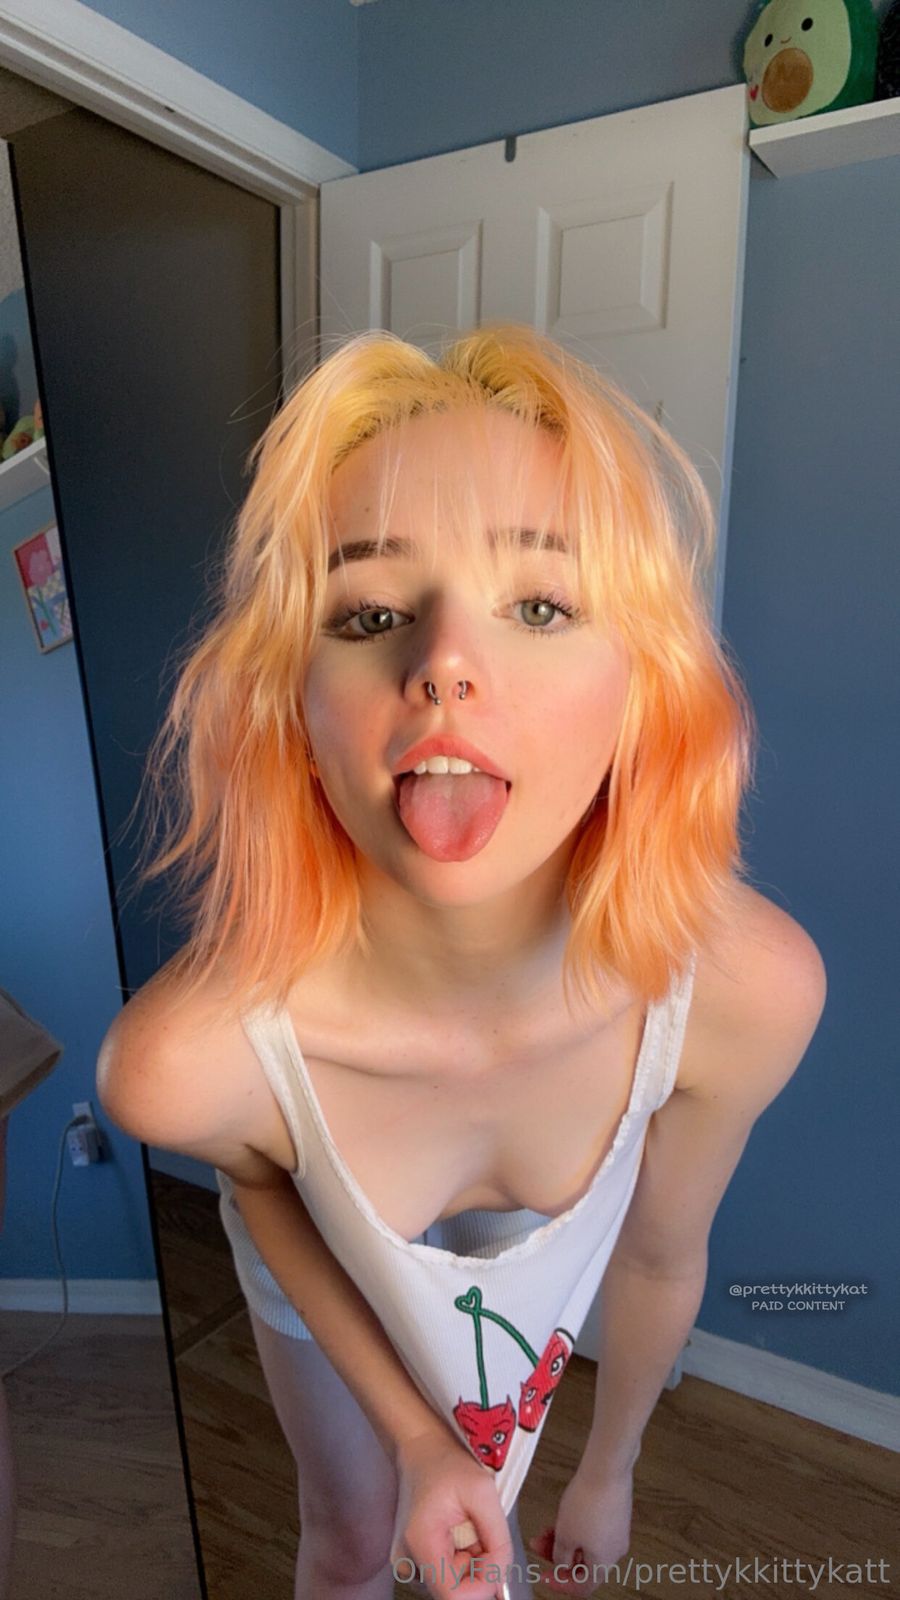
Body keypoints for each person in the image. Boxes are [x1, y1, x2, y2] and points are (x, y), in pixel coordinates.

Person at [96, 326, 826, 1600]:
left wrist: (607, 1470)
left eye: (539, 604)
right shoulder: (189, 1066)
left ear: (643, 682)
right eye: (371, 612)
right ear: (292, 701)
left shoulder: (744, 995)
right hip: (321, 1209)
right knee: (348, 1538)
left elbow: (659, 1255)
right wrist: (420, 1443)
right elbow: (264, 1179)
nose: (440, 663)